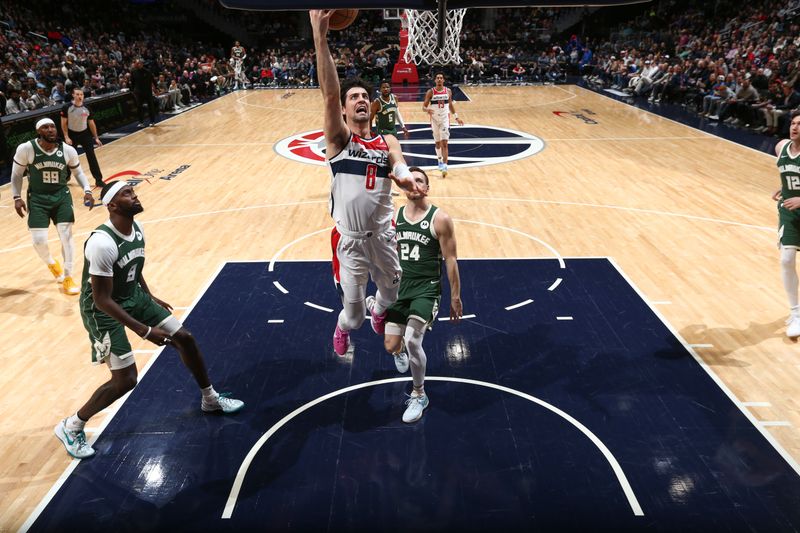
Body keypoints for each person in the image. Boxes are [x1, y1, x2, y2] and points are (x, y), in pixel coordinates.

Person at [54, 181, 245, 459]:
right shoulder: (102, 243)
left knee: (185, 338)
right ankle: (72, 426)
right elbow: (102, 299)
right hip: (102, 310)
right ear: (112, 205)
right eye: (127, 193)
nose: (135, 195)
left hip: (132, 295)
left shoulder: (137, 229)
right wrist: (144, 330)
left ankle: (210, 399)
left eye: (133, 191)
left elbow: (134, 265)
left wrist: (149, 294)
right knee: (126, 380)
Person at [310, 9, 423, 357]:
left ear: (370, 108)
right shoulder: (340, 142)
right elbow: (329, 93)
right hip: (351, 242)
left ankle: (379, 310)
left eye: (364, 96)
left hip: (385, 238)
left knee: (388, 299)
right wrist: (321, 36)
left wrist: (408, 183)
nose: (360, 99)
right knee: (354, 318)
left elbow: (401, 167)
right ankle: (342, 326)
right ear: (343, 110)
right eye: (353, 97)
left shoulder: (387, 141)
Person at [380, 166, 462, 422]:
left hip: (426, 289)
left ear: (427, 188)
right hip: (399, 288)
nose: (414, 184)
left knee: (415, 340)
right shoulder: (394, 216)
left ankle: (419, 394)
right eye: (411, 180)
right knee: (391, 345)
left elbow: (451, 260)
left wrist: (455, 297)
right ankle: (400, 350)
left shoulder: (440, 219)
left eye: (420, 181)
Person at [10, 118, 95, 295]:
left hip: (61, 197)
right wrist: (16, 197)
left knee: (66, 235)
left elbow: (77, 172)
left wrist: (87, 190)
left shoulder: (68, 150)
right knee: (38, 241)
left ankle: (68, 275)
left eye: (52, 127)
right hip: (37, 199)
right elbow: (16, 174)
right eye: (45, 127)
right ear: (38, 132)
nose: (50, 130)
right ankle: (51, 263)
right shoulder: (26, 149)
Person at [773, 111, 800, 337]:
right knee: (786, 259)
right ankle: (796, 314)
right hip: (789, 213)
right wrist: (784, 188)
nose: (795, 127)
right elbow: (789, 176)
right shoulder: (781, 147)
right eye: (793, 123)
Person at [422, 73, 464, 178]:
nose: (439, 79)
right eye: (438, 78)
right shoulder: (430, 92)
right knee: (437, 143)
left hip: (445, 119)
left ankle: (445, 165)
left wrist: (456, 117)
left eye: (441, 78)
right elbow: (423, 107)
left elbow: (450, 105)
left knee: (444, 143)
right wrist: (427, 109)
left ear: (443, 80)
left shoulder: (448, 91)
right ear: (435, 80)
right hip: (434, 120)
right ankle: (439, 161)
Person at [61, 87, 104, 187]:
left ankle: (98, 180)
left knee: (92, 157)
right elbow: (63, 123)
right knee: (70, 158)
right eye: (77, 94)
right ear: (73, 95)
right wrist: (66, 136)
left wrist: (96, 138)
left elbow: (91, 123)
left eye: (81, 94)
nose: (80, 96)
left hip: (85, 134)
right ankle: (66, 178)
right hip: (72, 134)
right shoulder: (66, 107)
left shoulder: (87, 108)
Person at [130, 59, 158, 127]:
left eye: (140, 63)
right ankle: (141, 122)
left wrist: (156, 88)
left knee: (150, 107)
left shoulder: (147, 71)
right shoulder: (133, 72)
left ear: (142, 64)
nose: (138, 64)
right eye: (137, 63)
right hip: (139, 93)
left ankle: (152, 121)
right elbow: (132, 82)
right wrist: (132, 90)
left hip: (148, 92)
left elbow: (153, 80)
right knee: (139, 107)